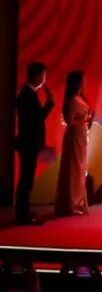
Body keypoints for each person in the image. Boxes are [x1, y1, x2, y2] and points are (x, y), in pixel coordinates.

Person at [14, 62, 54, 224]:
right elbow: (37, 119)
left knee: (27, 178)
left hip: (28, 142)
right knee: (26, 179)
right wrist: (49, 104)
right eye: (43, 75)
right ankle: (22, 215)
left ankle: (24, 211)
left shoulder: (28, 93)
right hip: (28, 143)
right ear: (36, 75)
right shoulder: (27, 94)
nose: (44, 79)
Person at [55, 71, 92, 217]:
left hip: (81, 135)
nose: (85, 83)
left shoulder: (79, 98)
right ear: (78, 83)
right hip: (74, 136)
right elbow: (70, 121)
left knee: (79, 169)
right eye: (83, 81)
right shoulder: (72, 100)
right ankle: (72, 203)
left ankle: (77, 201)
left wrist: (87, 120)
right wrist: (85, 119)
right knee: (74, 169)